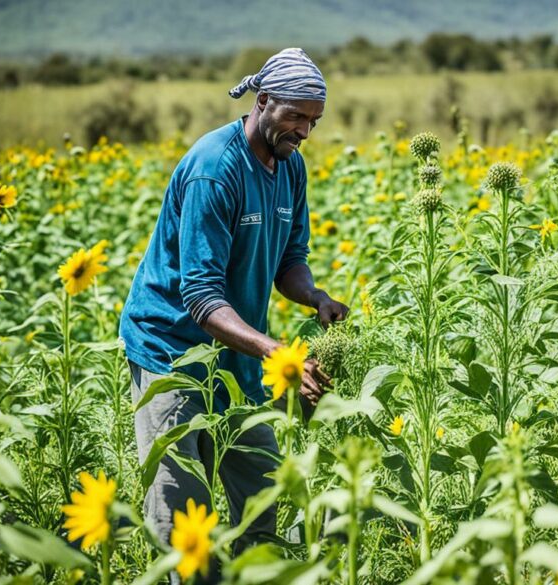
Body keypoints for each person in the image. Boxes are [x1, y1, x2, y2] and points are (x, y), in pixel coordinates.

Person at [118, 47, 349, 581]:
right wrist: (280, 355)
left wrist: (315, 297)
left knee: (262, 496)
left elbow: (290, 260)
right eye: (296, 117)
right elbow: (199, 298)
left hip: (238, 351)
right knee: (183, 517)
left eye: (314, 121)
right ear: (263, 101)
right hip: (172, 353)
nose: (305, 133)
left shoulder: (290, 169)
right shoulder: (213, 170)